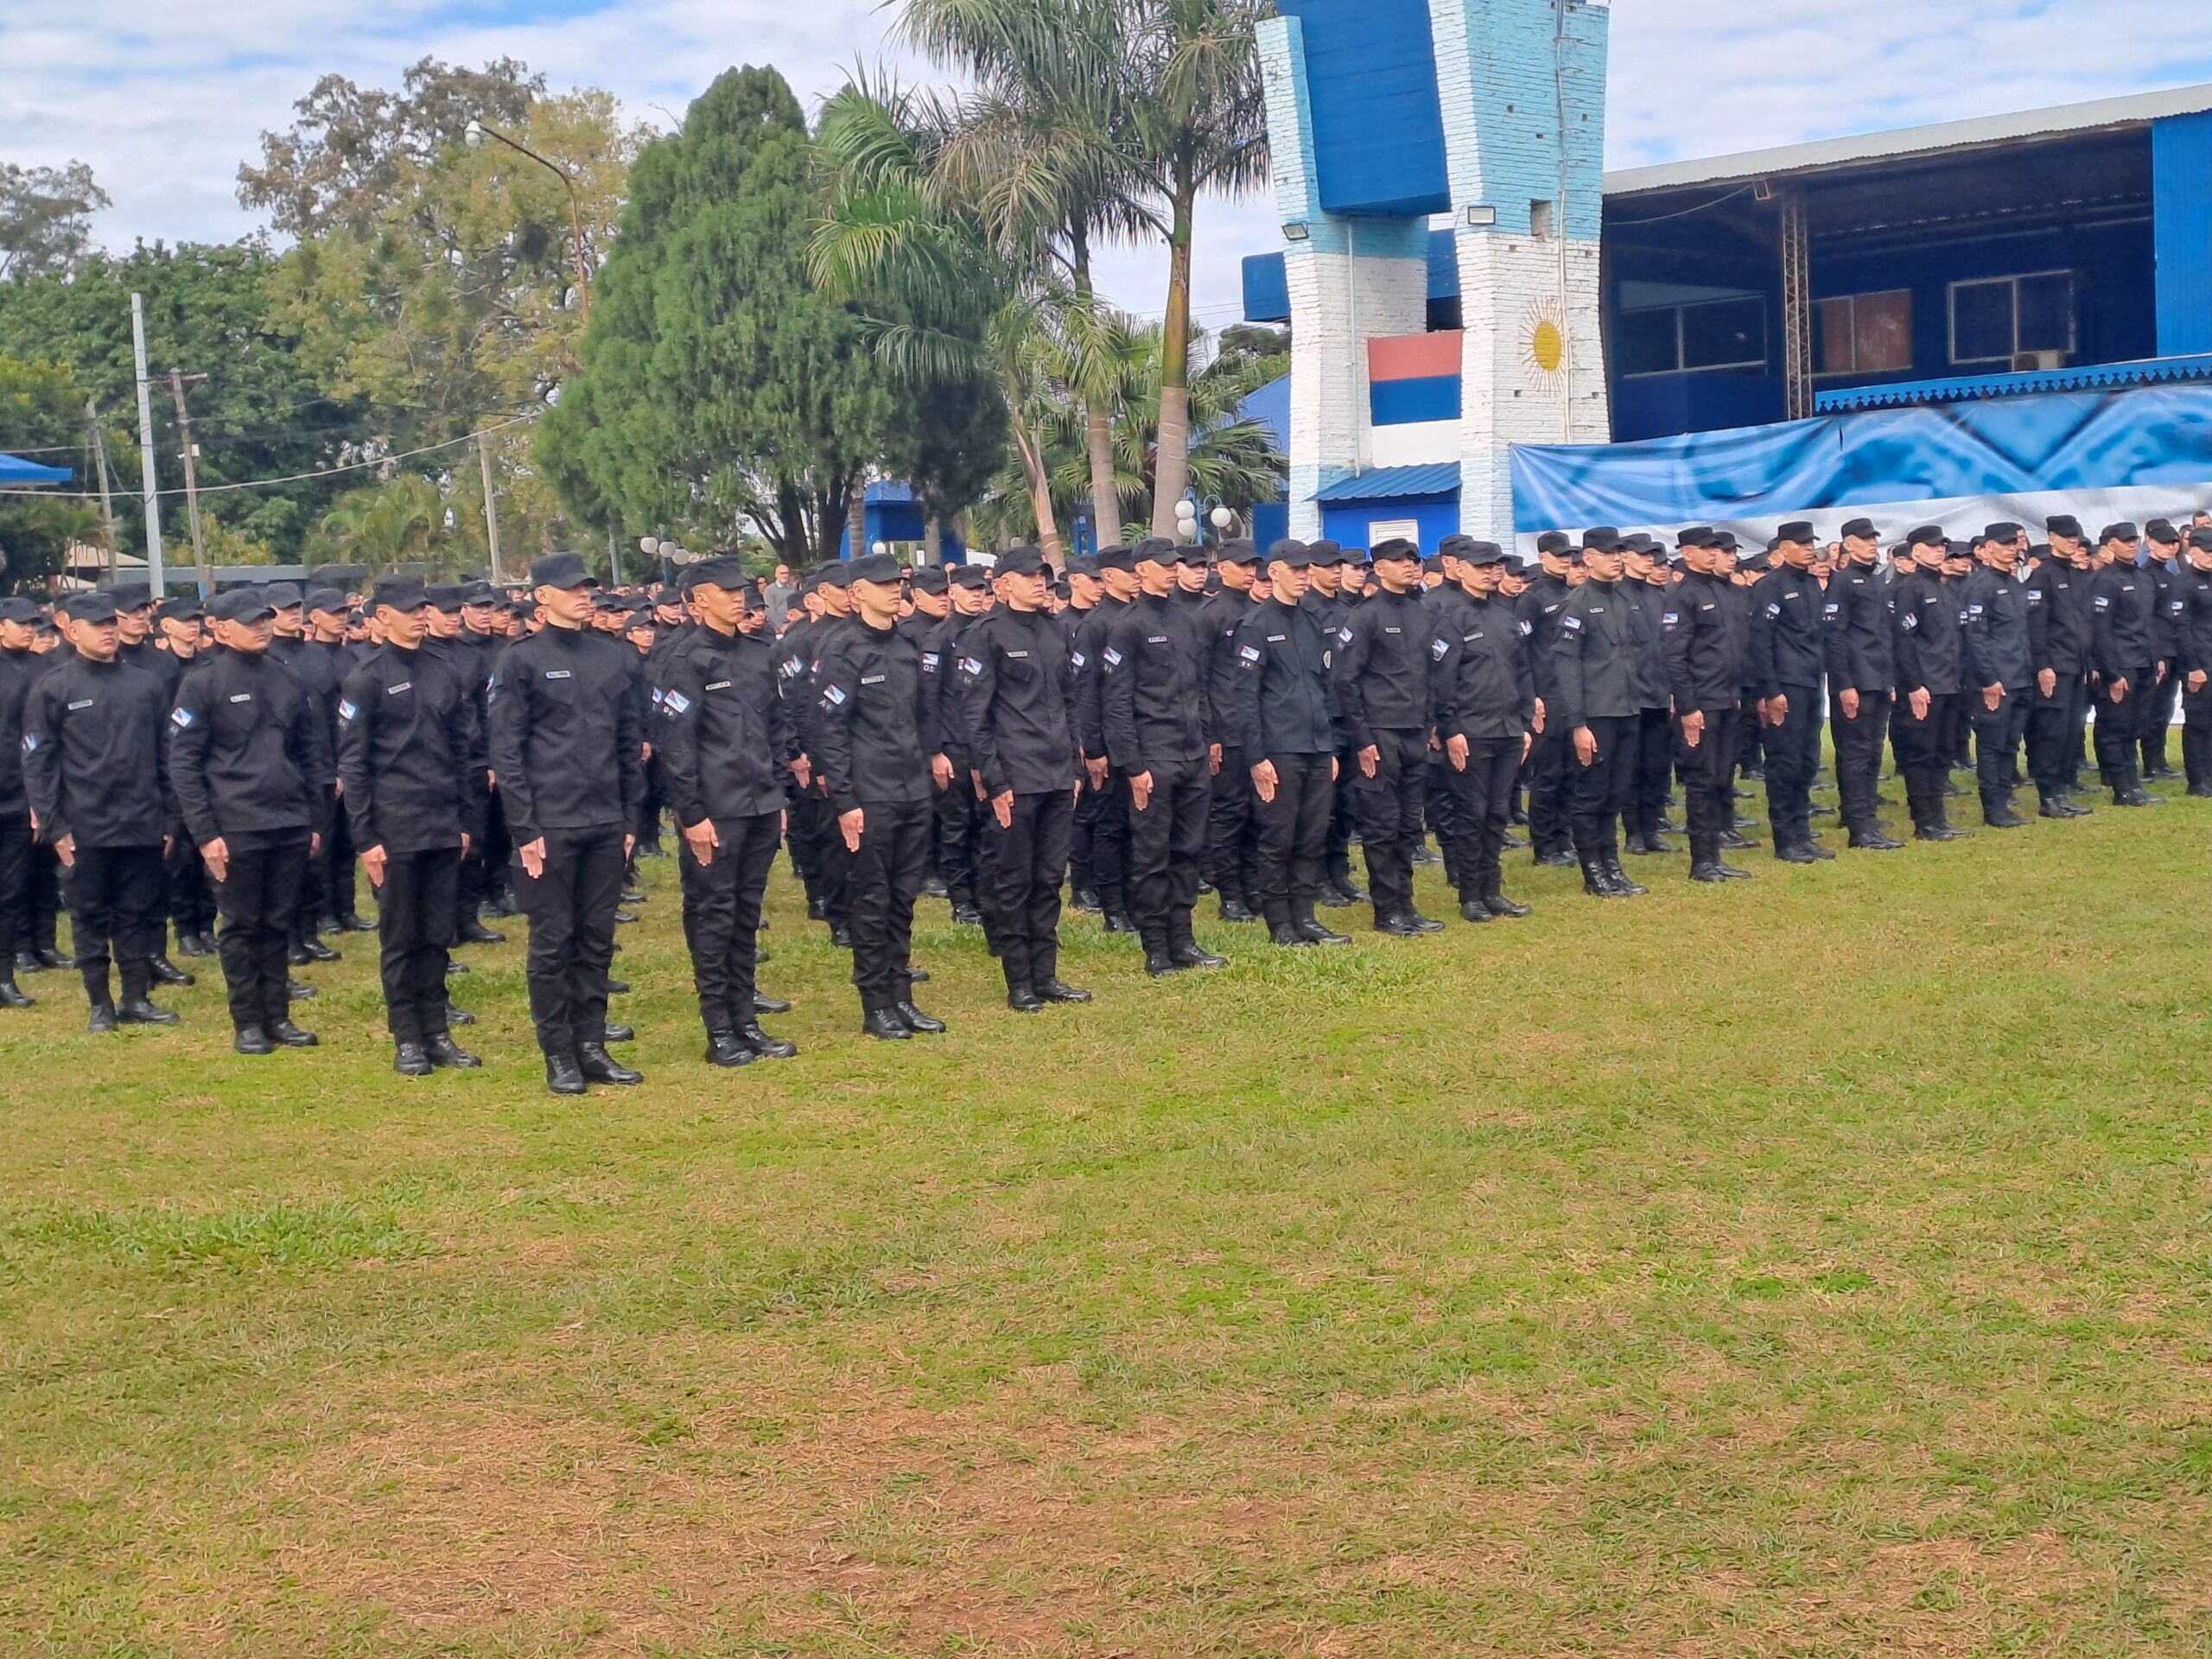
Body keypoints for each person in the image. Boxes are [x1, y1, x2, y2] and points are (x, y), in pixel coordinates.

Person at [487, 550, 647, 1096]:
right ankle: (558, 1053)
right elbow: (507, 752)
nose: (584, 595)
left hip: (605, 817)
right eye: (571, 587)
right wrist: (525, 829)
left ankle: (592, 1044)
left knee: (597, 939)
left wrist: (630, 818)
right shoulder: (521, 660)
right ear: (542, 596)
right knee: (553, 941)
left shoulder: (616, 657)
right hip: (550, 823)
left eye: (588, 586)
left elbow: (630, 744)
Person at [658, 555, 806, 1060]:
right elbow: (676, 746)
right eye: (727, 591)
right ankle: (719, 1028)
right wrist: (691, 814)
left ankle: (746, 1019)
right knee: (713, 915)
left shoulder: (757, 653)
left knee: (746, 916)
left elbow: (774, 727)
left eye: (741, 589)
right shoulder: (684, 659)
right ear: (700, 600)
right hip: (715, 810)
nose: (739, 597)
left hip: (760, 804)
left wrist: (778, 794)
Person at [168, 586, 328, 1055]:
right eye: (251, 621)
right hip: (234, 824)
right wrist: (206, 834)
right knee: (241, 924)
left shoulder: (286, 675)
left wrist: (314, 820)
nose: (262, 627)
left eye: (265, 619)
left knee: (278, 922)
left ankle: (278, 1014)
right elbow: (185, 763)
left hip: (288, 820)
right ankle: (248, 1021)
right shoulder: (202, 682)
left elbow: (307, 751)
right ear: (219, 627)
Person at [336, 574, 485, 1075]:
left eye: (424, 607)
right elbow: (353, 766)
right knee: (401, 936)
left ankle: (437, 1030)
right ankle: (408, 1038)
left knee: (437, 933)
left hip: (442, 822)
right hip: (394, 827)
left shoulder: (444, 669)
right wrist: (366, 838)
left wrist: (466, 821)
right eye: (409, 609)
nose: (421, 615)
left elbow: (462, 751)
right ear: (381, 617)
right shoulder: (367, 677)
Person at [21, 590, 180, 1031]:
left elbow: (166, 756)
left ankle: (135, 997)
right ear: (73, 632)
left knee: (137, 913)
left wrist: (170, 819)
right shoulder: (54, 687)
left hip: (142, 821)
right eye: (98, 625)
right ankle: (99, 1004)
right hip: (85, 825)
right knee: (89, 916)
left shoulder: (146, 684)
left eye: (112, 623)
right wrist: (55, 826)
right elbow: (39, 762)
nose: (109, 631)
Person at [961, 544, 1090, 1010]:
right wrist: (995, 781)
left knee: (1049, 878)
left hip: (1057, 774)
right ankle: (1019, 981)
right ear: (1004, 584)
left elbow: (1070, 703)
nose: (1041, 583)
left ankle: (1046, 975)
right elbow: (976, 717)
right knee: (1014, 880)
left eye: (1044, 576)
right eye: (1031, 576)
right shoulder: (986, 635)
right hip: (1016, 776)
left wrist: (1075, 767)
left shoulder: (1056, 631)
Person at [1101, 541, 1224, 972]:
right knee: (1153, 853)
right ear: (1142, 570)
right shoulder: (1128, 626)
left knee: (1188, 850)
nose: (1174, 571)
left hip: (1191, 752)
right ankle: (1156, 947)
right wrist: (1132, 765)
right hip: (1154, 756)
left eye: (1177, 565)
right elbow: (1116, 703)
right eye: (1166, 565)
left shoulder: (1186, 619)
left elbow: (1200, 686)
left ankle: (1183, 938)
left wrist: (1208, 737)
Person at [1234, 540, 1349, 946]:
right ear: (1275, 572)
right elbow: (1245, 697)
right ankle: (1280, 922)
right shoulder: (1255, 625)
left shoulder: (1312, 622)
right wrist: (1256, 757)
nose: (1303, 576)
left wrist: (1331, 746)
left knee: (1311, 834)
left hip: (1316, 745)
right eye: (1296, 570)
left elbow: (1323, 687)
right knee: (1277, 837)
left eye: (1307, 570)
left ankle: (1306, 915)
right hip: (1278, 747)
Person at [1332, 537, 1440, 935]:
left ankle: (1406, 904)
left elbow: (1429, 674)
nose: (1412, 565)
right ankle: (1387, 910)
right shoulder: (1365, 617)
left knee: (1408, 823)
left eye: (1415, 558)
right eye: (1401, 560)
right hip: (1379, 733)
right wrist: (1362, 739)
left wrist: (1430, 722)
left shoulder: (1421, 613)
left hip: (1414, 731)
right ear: (1380, 567)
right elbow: (1345, 681)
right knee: (1381, 824)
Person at [1427, 537, 1534, 922]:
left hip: (1507, 730)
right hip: (1470, 732)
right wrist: (1451, 729)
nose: (1492, 572)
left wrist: (1523, 724)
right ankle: (1470, 894)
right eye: (1483, 567)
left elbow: (1522, 671)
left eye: (1496, 566)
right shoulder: (1451, 617)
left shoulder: (1505, 615)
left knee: (1497, 814)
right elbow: (1442, 681)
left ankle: (1493, 889)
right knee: (1470, 814)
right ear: (1461, 569)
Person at [1553, 528, 1648, 897]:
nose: (1617, 558)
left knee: (1616, 792)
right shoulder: (1576, 604)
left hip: (1626, 709)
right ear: (1588, 558)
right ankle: (1593, 870)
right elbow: (1566, 666)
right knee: (1591, 794)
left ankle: (1611, 864)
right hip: (1595, 715)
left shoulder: (1623, 599)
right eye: (1609, 553)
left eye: (1620, 552)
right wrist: (1578, 724)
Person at [1664, 527, 1752, 882]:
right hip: (1701, 702)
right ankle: (1702, 860)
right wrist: (1688, 706)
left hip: (1729, 699)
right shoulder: (1682, 595)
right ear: (1688, 553)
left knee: (1721, 777)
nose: (1716, 553)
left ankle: (1716, 854)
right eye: (1708, 549)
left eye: (1718, 548)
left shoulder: (1726, 591)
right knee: (1701, 781)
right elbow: (1674, 656)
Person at [1747, 521, 1833, 863]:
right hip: (1786, 685)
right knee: (1785, 761)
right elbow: (1761, 641)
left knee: (1808, 760)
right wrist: (1771, 690)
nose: (1810, 548)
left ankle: (1802, 832)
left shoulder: (1812, 584)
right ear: (1783, 549)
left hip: (1812, 683)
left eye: (1811, 542)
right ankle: (1785, 838)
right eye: (1801, 543)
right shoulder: (1771, 586)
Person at [1825, 518, 1900, 849]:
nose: (1872, 544)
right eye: (1864, 539)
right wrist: (1844, 684)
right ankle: (1859, 827)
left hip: (1879, 679)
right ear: (1848, 545)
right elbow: (1835, 635)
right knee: (1855, 753)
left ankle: (1867, 816)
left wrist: (1890, 678)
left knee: (1872, 753)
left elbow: (1884, 634)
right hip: (1856, 679)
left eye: (1874, 539)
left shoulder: (1877, 581)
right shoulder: (1842, 581)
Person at [1199, 541, 1262, 921]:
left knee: (1260, 813)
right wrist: (1211, 735)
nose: (1249, 571)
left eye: (1253, 564)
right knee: (1229, 815)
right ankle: (1231, 893)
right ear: (1222, 568)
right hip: (1226, 728)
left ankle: (1253, 885)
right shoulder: (1210, 615)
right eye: (1241, 565)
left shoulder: (1259, 612)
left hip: (1257, 728)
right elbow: (1199, 679)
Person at [1959, 524, 2034, 828]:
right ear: (1987, 549)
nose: (2010, 549)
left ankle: (2004, 800)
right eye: (2003, 545)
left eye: (2013, 544)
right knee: (1991, 745)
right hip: (1995, 680)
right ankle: (1994, 807)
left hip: (2019, 676)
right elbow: (1974, 637)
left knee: (2009, 743)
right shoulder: (1981, 585)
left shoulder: (2014, 584)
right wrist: (1989, 679)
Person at [2025, 514, 2095, 818]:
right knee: (2051, 732)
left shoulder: (2078, 576)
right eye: (2066, 536)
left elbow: (2085, 624)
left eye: (2075, 536)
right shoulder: (2042, 576)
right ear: (2051, 538)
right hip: (2055, 666)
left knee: (2070, 731)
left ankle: (2062, 790)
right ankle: (2048, 796)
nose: (2072, 541)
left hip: (2077, 665)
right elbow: (2036, 625)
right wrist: (2043, 665)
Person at [1515, 532, 1578, 867]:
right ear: (1543, 558)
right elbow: (1520, 650)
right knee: (1548, 774)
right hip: (1546, 697)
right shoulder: (1533, 598)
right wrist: (1531, 697)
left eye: (1567, 554)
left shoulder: (1572, 593)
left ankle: (1562, 837)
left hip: (1571, 695)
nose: (1565, 560)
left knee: (1571, 772)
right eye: (1558, 555)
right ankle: (1544, 845)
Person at [2088, 522, 2159, 807]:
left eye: (2135, 539)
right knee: (2116, 726)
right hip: (2121, 664)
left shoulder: (2143, 579)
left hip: (2144, 662)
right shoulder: (2105, 580)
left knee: (2135, 726)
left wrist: (2156, 659)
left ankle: (2133, 782)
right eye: (2125, 540)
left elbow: (2148, 623)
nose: (2132, 544)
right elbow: (2100, 629)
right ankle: (2121, 787)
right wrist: (2112, 672)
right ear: (2110, 545)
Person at [0, 595, 41, 1007]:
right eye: (21, 623)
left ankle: (3, 976)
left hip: (16, 797)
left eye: (33, 623)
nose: (30, 629)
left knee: (11, 891)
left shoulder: (37, 672)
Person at [2177, 526, 2212, 797]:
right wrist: (2193, 667)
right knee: (2198, 722)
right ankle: (2197, 779)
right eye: (2207, 551)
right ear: (2193, 550)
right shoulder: (2184, 583)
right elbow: (2181, 628)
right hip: (2199, 663)